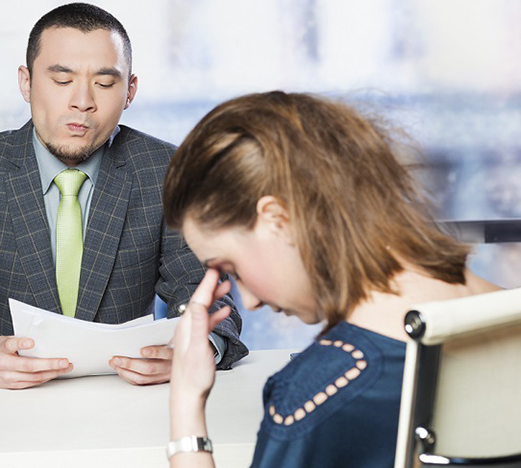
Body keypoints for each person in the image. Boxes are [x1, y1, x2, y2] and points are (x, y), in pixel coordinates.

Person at [0, 3, 247, 390]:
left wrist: (195, 348)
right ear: (26, 82)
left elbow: (205, 294)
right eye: (62, 80)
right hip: (0, 406)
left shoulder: (169, 170)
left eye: (104, 83)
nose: (82, 101)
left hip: (127, 400)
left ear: (130, 91)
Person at [162, 92, 501, 467]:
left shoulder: (322, 390)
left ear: (277, 219)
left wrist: (186, 402)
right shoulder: (504, 313)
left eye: (232, 268)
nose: (251, 301)